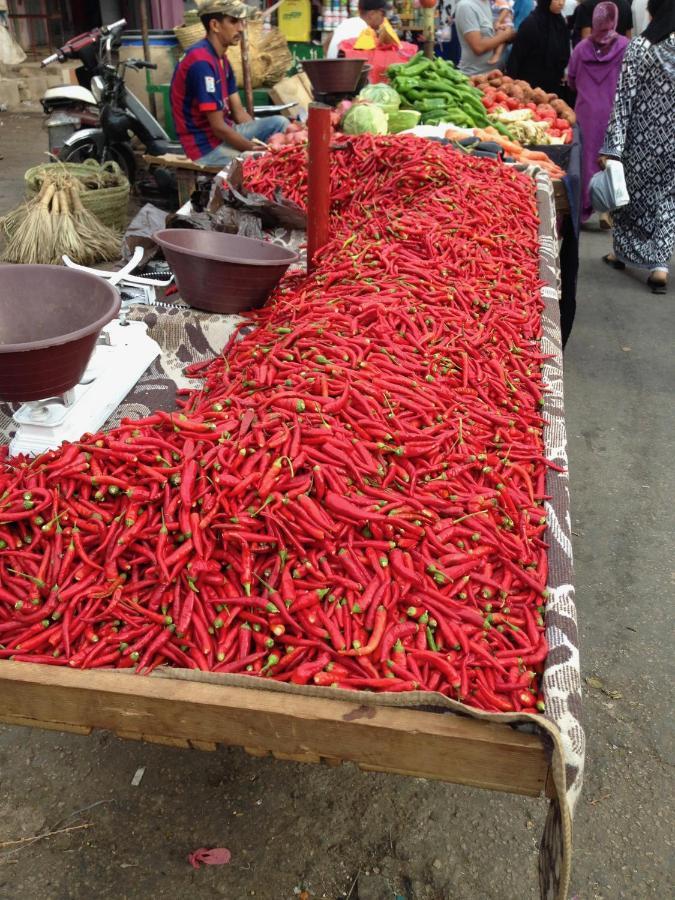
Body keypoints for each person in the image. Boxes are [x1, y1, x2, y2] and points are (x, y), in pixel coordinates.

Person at [600, 0, 675, 293]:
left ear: (652, 12)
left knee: (629, 200)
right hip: (672, 143)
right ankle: (660, 266)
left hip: (640, 142)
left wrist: (613, 147)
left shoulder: (641, 47)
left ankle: (621, 253)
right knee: (667, 201)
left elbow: (623, 100)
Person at [170, 0, 289, 165]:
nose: (241, 28)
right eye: (233, 21)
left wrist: (258, 140)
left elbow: (239, 113)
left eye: (241, 22)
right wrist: (251, 148)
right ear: (215, 25)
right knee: (263, 162)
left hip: (226, 132)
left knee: (280, 123)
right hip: (204, 147)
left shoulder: (222, 60)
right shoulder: (201, 63)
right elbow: (218, 127)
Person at [567, 2, 629, 225]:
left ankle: (584, 209)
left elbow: (571, 79)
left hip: (586, 112)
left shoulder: (582, 47)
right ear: (615, 20)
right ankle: (607, 210)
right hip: (613, 113)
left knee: (586, 159)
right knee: (611, 159)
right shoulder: (625, 46)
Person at [506, 0, 571, 95]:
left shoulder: (561, 22)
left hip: (553, 87)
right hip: (529, 87)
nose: (561, 3)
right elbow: (516, 58)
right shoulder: (531, 23)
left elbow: (564, 52)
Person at [455, 0, 516, 74]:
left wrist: (504, 31)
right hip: (475, 76)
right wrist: (505, 35)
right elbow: (478, 47)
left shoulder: (487, 3)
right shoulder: (466, 6)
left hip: (495, 74)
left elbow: (491, 33)